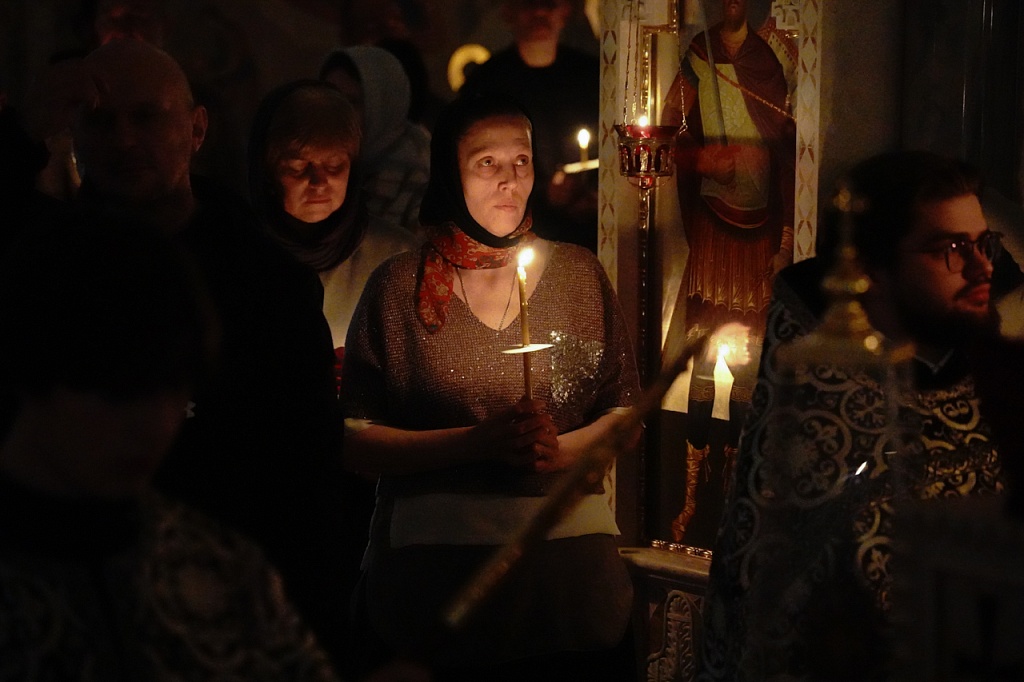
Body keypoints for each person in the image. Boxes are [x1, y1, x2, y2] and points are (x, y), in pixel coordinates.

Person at [15, 37, 354, 671]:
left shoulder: (267, 284)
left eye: (146, 117)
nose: (124, 140)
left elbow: (306, 479)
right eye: (101, 121)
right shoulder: (44, 273)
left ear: (196, 129)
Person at [340, 92, 640, 681]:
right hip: (435, 590)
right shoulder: (399, 287)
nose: (509, 180)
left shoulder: (579, 274)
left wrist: (559, 452)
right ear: (450, 173)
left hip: (567, 593)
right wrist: (475, 444)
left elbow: (623, 412)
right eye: (487, 163)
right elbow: (355, 440)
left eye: (521, 161)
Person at [697, 150, 1013, 682]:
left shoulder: (996, 389)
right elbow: (777, 618)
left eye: (985, 244)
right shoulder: (815, 412)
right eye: (952, 249)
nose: (983, 268)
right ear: (872, 272)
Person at [0, 212, 339, 681]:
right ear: (29, 368)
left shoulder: (218, 564)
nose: (154, 425)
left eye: (175, 387)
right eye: (120, 391)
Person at [659, 0, 797, 545]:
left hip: (759, 228)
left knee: (746, 364)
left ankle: (736, 495)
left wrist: (785, 236)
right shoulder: (700, 53)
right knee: (701, 356)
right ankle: (691, 499)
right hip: (714, 222)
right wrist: (699, 159)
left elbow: (791, 141)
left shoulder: (768, 59)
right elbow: (669, 130)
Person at [247, 78, 422, 363]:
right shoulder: (237, 257)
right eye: (298, 167)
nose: (318, 182)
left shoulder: (396, 258)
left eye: (334, 166)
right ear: (267, 171)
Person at [459, 0, 600, 252]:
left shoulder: (593, 76)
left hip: (592, 232)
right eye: (529, 3)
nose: (540, 11)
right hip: (516, 236)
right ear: (508, 12)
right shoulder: (486, 84)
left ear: (565, 11)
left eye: (550, 4)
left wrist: (596, 194)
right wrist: (544, 194)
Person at [319, 45, 430, 236]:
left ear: (381, 107)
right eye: (329, 100)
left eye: (352, 102)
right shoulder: (312, 165)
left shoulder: (420, 177)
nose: (336, 112)